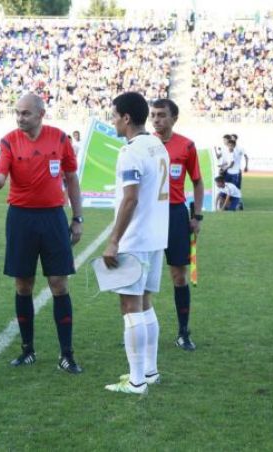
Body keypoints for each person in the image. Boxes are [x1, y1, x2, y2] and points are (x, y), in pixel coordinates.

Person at [0, 93, 84, 374]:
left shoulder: (60, 139)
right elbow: (0, 180)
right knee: (23, 285)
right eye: (17, 113)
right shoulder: (8, 141)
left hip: (53, 218)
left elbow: (72, 178)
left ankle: (67, 354)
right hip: (21, 218)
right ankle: (27, 350)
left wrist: (77, 218)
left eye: (25, 113)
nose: (19, 118)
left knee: (59, 284)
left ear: (41, 114)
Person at [102, 92, 169, 395]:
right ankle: (149, 372)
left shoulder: (130, 152)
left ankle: (136, 380)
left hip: (136, 238)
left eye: (114, 116)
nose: (112, 121)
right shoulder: (157, 145)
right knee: (145, 303)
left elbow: (130, 199)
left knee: (130, 306)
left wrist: (114, 241)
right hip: (155, 237)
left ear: (126, 118)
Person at [150, 98, 204, 351]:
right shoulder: (144, 144)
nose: (156, 119)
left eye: (161, 115)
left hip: (175, 214)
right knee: (142, 274)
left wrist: (197, 216)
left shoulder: (186, 146)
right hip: (150, 214)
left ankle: (183, 332)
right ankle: (140, 329)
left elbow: (198, 181)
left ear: (174, 118)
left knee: (179, 276)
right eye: (153, 115)